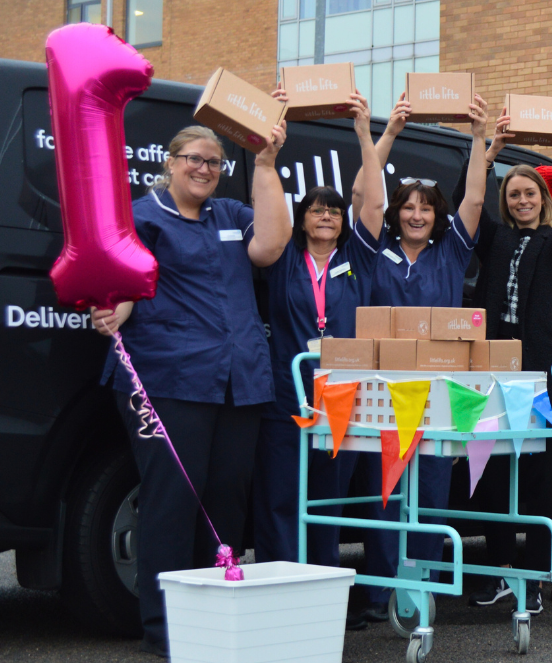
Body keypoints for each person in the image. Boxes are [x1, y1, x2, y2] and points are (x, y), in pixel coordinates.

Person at [92, 117, 291, 657]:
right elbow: (128, 278)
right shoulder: (142, 215)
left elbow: (270, 247)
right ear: (170, 162)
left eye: (214, 162)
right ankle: (164, 628)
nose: (204, 169)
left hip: (239, 381)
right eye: (193, 159)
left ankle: (210, 617)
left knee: (226, 498)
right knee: (173, 500)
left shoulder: (230, 214)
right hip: (167, 378)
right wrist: (115, 310)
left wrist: (267, 163)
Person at [252, 92, 391, 630]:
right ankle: (280, 589)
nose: (328, 215)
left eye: (334, 209)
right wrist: (273, 133)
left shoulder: (357, 256)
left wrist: (363, 131)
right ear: (302, 218)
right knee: (283, 494)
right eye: (317, 208)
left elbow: (373, 205)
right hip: (288, 390)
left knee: (329, 500)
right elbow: (270, 202)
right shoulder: (285, 257)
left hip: (342, 392)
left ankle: (323, 598)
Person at [348, 91, 489, 619]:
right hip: (381, 394)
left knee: (431, 493)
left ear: (436, 216)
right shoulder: (371, 249)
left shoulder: (451, 252)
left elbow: (474, 201)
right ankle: (379, 592)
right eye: (407, 207)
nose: (414, 214)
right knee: (384, 494)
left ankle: (420, 591)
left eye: (424, 208)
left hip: (439, 393)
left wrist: (478, 138)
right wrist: (372, 135)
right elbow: (367, 196)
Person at [460, 127, 552, 613]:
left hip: (542, 379)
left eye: (529, 193)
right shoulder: (494, 240)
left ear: (542, 199)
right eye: (513, 194)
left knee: (539, 481)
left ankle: (535, 579)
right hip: (497, 374)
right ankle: (497, 573)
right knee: (494, 476)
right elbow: (466, 204)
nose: (521, 201)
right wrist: (487, 152)